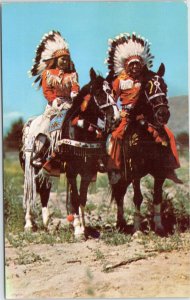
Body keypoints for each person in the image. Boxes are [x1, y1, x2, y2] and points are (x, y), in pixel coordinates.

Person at [105, 32, 180, 184]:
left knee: (169, 135)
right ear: (126, 65)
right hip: (127, 115)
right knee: (115, 137)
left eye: (137, 64)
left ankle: (170, 167)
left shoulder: (146, 79)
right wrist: (117, 111)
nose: (134, 67)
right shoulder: (119, 81)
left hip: (144, 116)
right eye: (131, 64)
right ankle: (115, 169)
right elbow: (111, 99)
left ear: (142, 65)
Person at [29, 30, 80, 175]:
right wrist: (54, 100)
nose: (65, 61)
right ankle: (39, 154)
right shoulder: (48, 74)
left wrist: (75, 93)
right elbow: (47, 91)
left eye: (67, 59)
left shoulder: (73, 75)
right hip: (54, 106)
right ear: (55, 60)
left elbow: (75, 86)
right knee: (46, 126)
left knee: (83, 122)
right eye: (62, 59)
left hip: (70, 105)